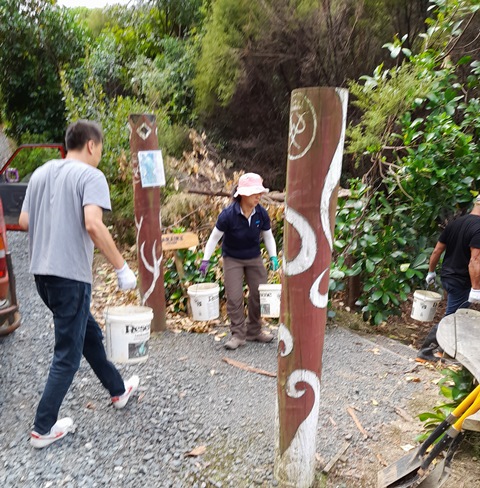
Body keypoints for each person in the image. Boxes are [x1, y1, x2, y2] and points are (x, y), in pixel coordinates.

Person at [19, 120, 139, 448]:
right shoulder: (91, 176)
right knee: (68, 355)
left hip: (43, 277)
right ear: (91, 145)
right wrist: (122, 268)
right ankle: (42, 428)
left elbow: (25, 221)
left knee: (88, 336)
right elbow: (93, 225)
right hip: (71, 277)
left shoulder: (41, 173)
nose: (99, 155)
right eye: (100, 149)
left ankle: (118, 390)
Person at [199, 173, 279, 350]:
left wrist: (273, 256)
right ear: (243, 194)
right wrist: (205, 260)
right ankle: (238, 335)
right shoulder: (228, 215)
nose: (259, 196)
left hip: (254, 258)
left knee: (259, 294)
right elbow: (214, 238)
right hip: (232, 258)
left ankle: (254, 330)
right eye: (255, 193)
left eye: (260, 192)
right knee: (234, 297)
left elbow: (268, 236)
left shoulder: (261, 213)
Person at [417, 195, 480, 363]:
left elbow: (437, 251)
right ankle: (426, 350)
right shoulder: (479, 228)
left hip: (447, 276)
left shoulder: (455, 223)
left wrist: (431, 272)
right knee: (451, 317)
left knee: (457, 314)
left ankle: (443, 351)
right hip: (461, 281)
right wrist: (476, 288)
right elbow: (475, 260)